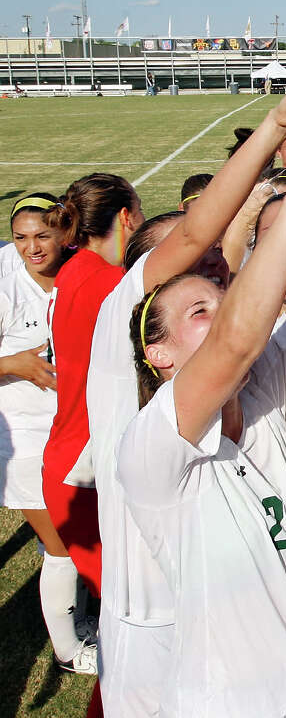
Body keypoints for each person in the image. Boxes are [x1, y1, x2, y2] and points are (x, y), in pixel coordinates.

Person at [90, 46, 286, 716]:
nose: (212, 265)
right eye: (195, 291)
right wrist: (280, 140)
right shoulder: (127, 324)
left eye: (216, 282)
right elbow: (211, 274)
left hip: (283, 663)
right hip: (152, 630)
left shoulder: (256, 389)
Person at [0, 194, 96, 673]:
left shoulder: (80, 271)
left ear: (65, 233)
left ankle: (83, 620)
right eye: (20, 238)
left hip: (72, 429)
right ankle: (68, 651)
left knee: (76, 536)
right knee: (59, 545)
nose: (31, 248)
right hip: (21, 436)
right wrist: (15, 364)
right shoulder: (4, 284)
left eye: (42, 235)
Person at [42, 173, 145, 605]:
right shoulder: (108, 283)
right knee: (129, 610)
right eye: (139, 214)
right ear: (125, 216)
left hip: (71, 452)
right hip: (85, 466)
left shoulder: (77, 270)